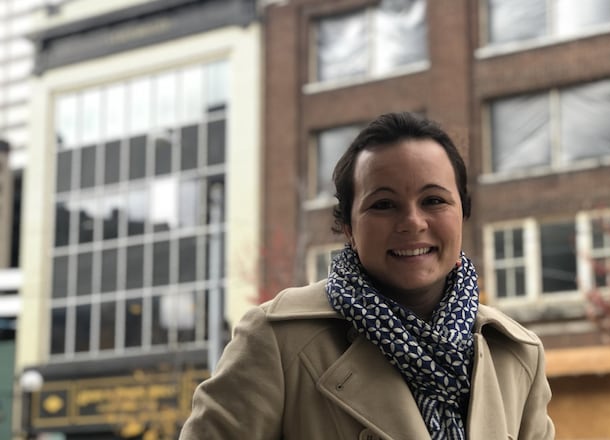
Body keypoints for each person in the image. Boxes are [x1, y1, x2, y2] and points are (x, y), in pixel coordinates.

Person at [180, 112, 555, 440]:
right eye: (383, 205)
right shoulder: (278, 340)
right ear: (348, 227)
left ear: (463, 213)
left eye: (434, 200)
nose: (412, 222)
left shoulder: (517, 353)